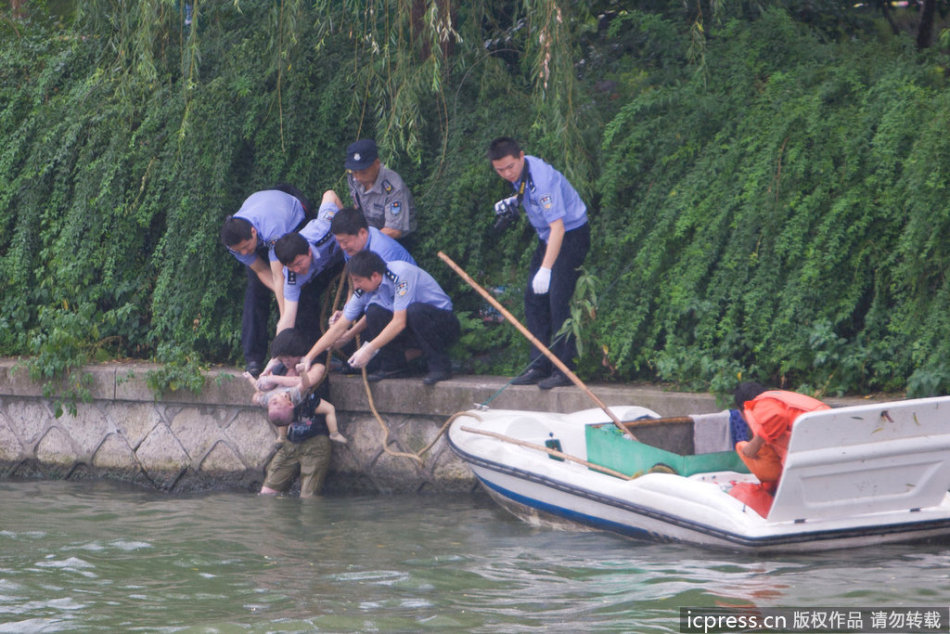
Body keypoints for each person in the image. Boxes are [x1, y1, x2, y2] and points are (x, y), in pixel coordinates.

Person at [488, 137, 591, 390]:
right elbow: (526, 193)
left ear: (521, 156)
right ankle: (539, 365)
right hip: (549, 237)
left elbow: (558, 227)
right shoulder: (521, 174)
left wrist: (546, 270)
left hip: (571, 234)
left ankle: (564, 369)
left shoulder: (542, 179)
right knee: (533, 298)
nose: (506, 174)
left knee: (558, 298)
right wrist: (514, 201)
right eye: (499, 170)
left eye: (510, 167)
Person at [302, 250, 459, 385]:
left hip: (442, 325)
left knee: (414, 311)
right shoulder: (365, 289)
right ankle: (394, 366)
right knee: (374, 312)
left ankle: (440, 367)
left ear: (375, 276)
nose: (355, 286)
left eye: (358, 280)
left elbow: (399, 322)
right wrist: (310, 356)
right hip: (413, 328)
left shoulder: (401, 275)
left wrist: (369, 349)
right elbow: (340, 326)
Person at [221, 188, 309, 377]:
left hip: (292, 227)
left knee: (298, 291)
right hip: (263, 239)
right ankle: (253, 357)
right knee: (255, 290)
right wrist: (286, 313)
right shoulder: (235, 244)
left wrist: (286, 317)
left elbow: (280, 277)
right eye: (239, 251)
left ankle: (303, 351)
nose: (244, 253)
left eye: (245, 247)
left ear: (253, 232)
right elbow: (261, 270)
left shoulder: (272, 227)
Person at [251, 329, 346, 498]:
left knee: (308, 498)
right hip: (291, 441)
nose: (286, 361)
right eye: (282, 357)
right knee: (266, 494)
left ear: (300, 352)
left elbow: (304, 382)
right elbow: (261, 389)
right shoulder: (279, 368)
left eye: (290, 356)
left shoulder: (316, 364)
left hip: (316, 440)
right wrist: (264, 378)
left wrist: (273, 379)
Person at [272, 191, 347, 348]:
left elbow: (330, 195)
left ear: (309, 251)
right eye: (291, 267)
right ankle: (313, 356)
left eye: (299, 263)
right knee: (303, 307)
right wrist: (277, 354)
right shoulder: (292, 275)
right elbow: (288, 318)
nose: (297, 270)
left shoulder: (325, 230)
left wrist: (346, 220)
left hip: (344, 259)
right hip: (318, 273)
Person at [732, 381, 831, 491]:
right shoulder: (777, 398)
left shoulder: (760, 404)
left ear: (742, 409)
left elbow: (776, 416)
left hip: (815, 442)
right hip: (830, 433)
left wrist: (754, 445)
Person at [344, 139, 417, 242]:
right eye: (355, 172)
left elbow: (394, 230)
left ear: (377, 163)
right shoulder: (353, 176)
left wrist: (363, 241)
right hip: (367, 229)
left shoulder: (393, 188)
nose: (358, 177)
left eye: (363, 172)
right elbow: (357, 204)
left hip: (393, 238)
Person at [329, 202, 416, 264]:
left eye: (345, 242)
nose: (342, 247)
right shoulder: (352, 247)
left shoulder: (382, 253)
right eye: (339, 242)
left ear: (362, 233)